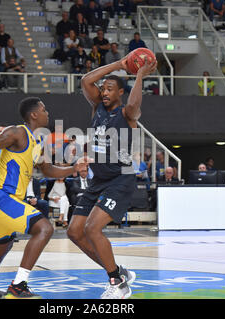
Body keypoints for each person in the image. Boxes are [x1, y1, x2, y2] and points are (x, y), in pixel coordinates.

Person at [0, 97, 90, 299]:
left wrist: (73, 168)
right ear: (34, 114)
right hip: (0, 196)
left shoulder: (39, 141)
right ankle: (18, 285)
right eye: (44, 109)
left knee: (4, 244)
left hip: (4, 199)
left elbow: (48, 170)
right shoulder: (18, 132)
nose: (48, 113)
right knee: (45, 228)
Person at [67, 51, 157, 299]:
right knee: (74, 232)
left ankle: (117, 283)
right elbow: (86, 80)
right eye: (103, 88)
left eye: (110, 89)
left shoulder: (127, 115)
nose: (104, 92)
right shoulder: (97, 107)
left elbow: (135, 105)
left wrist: (138, 74)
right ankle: (117, 270)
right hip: (99, 180)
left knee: (92, 228)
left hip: (120, 180)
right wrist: (119, 64)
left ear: (120, 93)